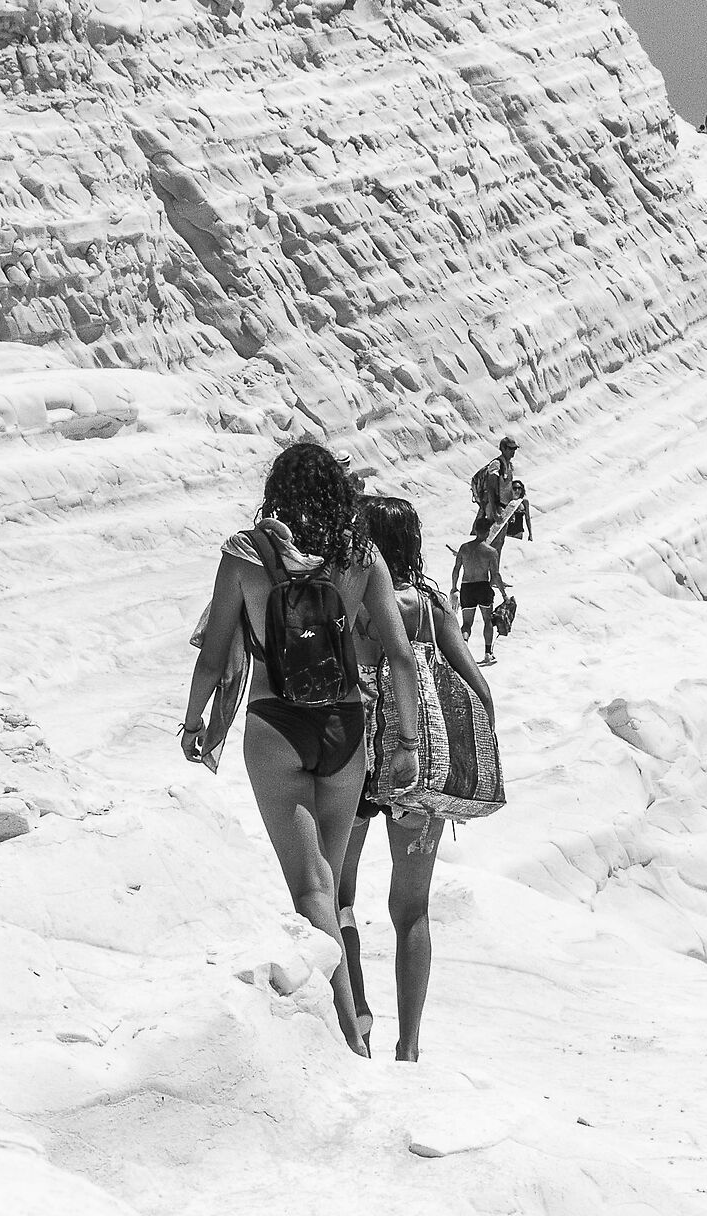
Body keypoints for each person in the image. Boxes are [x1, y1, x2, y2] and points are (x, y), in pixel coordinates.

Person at [179, 441, 425, 1057]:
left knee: (310, 889)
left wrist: (193, 721)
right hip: (346, 728)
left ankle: (349, 1035)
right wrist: (408, 744)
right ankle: (355, 1025)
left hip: (275, 726)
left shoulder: (245, 553)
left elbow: (214, 654)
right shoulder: (359, 555)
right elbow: (398, 654)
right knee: (333, 885)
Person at [336, 497, 496, 1062]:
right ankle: (410, 1046)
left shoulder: (352, 599)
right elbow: (479, 688)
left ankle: (357, 1023)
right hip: (415, 768)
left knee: (339, 897)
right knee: (413, 910)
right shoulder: (429, 606)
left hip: (353, 762)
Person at [450, 531, 508, 663]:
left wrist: (454, 587)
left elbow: (456, 569)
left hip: (467, 587)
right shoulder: (491, 551)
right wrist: (504, 594)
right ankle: (488, 653)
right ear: (488, 532)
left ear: (477, 530)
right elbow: (496, 575)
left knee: (466, 624)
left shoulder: (464, 548)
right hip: (483, 586)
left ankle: (463, 648)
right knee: (487, 620)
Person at [469, 436, 521, 539]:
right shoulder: (496, 465)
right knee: (492, 537)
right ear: (503, 448)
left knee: (498, 536)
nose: (513, 451)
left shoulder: (509, 465)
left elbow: (508, 488)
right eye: (511, 448)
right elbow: (490, 489)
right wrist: (494, 511)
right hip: (495, 507)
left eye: (514, 449)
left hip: (502, 507)